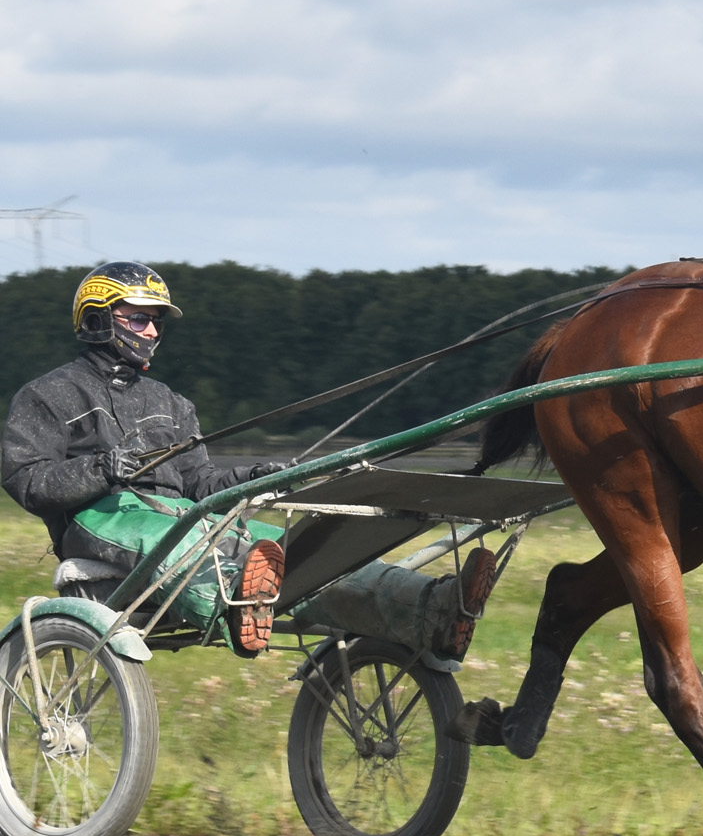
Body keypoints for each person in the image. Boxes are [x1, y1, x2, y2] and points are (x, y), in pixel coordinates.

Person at [1, 261, 496, 660]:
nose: (152, 330)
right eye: (139, 317)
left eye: (156, 321)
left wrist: (256, 478)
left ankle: (435, 610)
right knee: (180, 537)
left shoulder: (170, 402)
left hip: (188, 515)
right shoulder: (48, 395)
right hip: (104, 520)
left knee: (305, 553)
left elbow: (201, 483)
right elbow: (24, 479)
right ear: (97, 320)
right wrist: (104, 468)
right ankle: (234, 604)